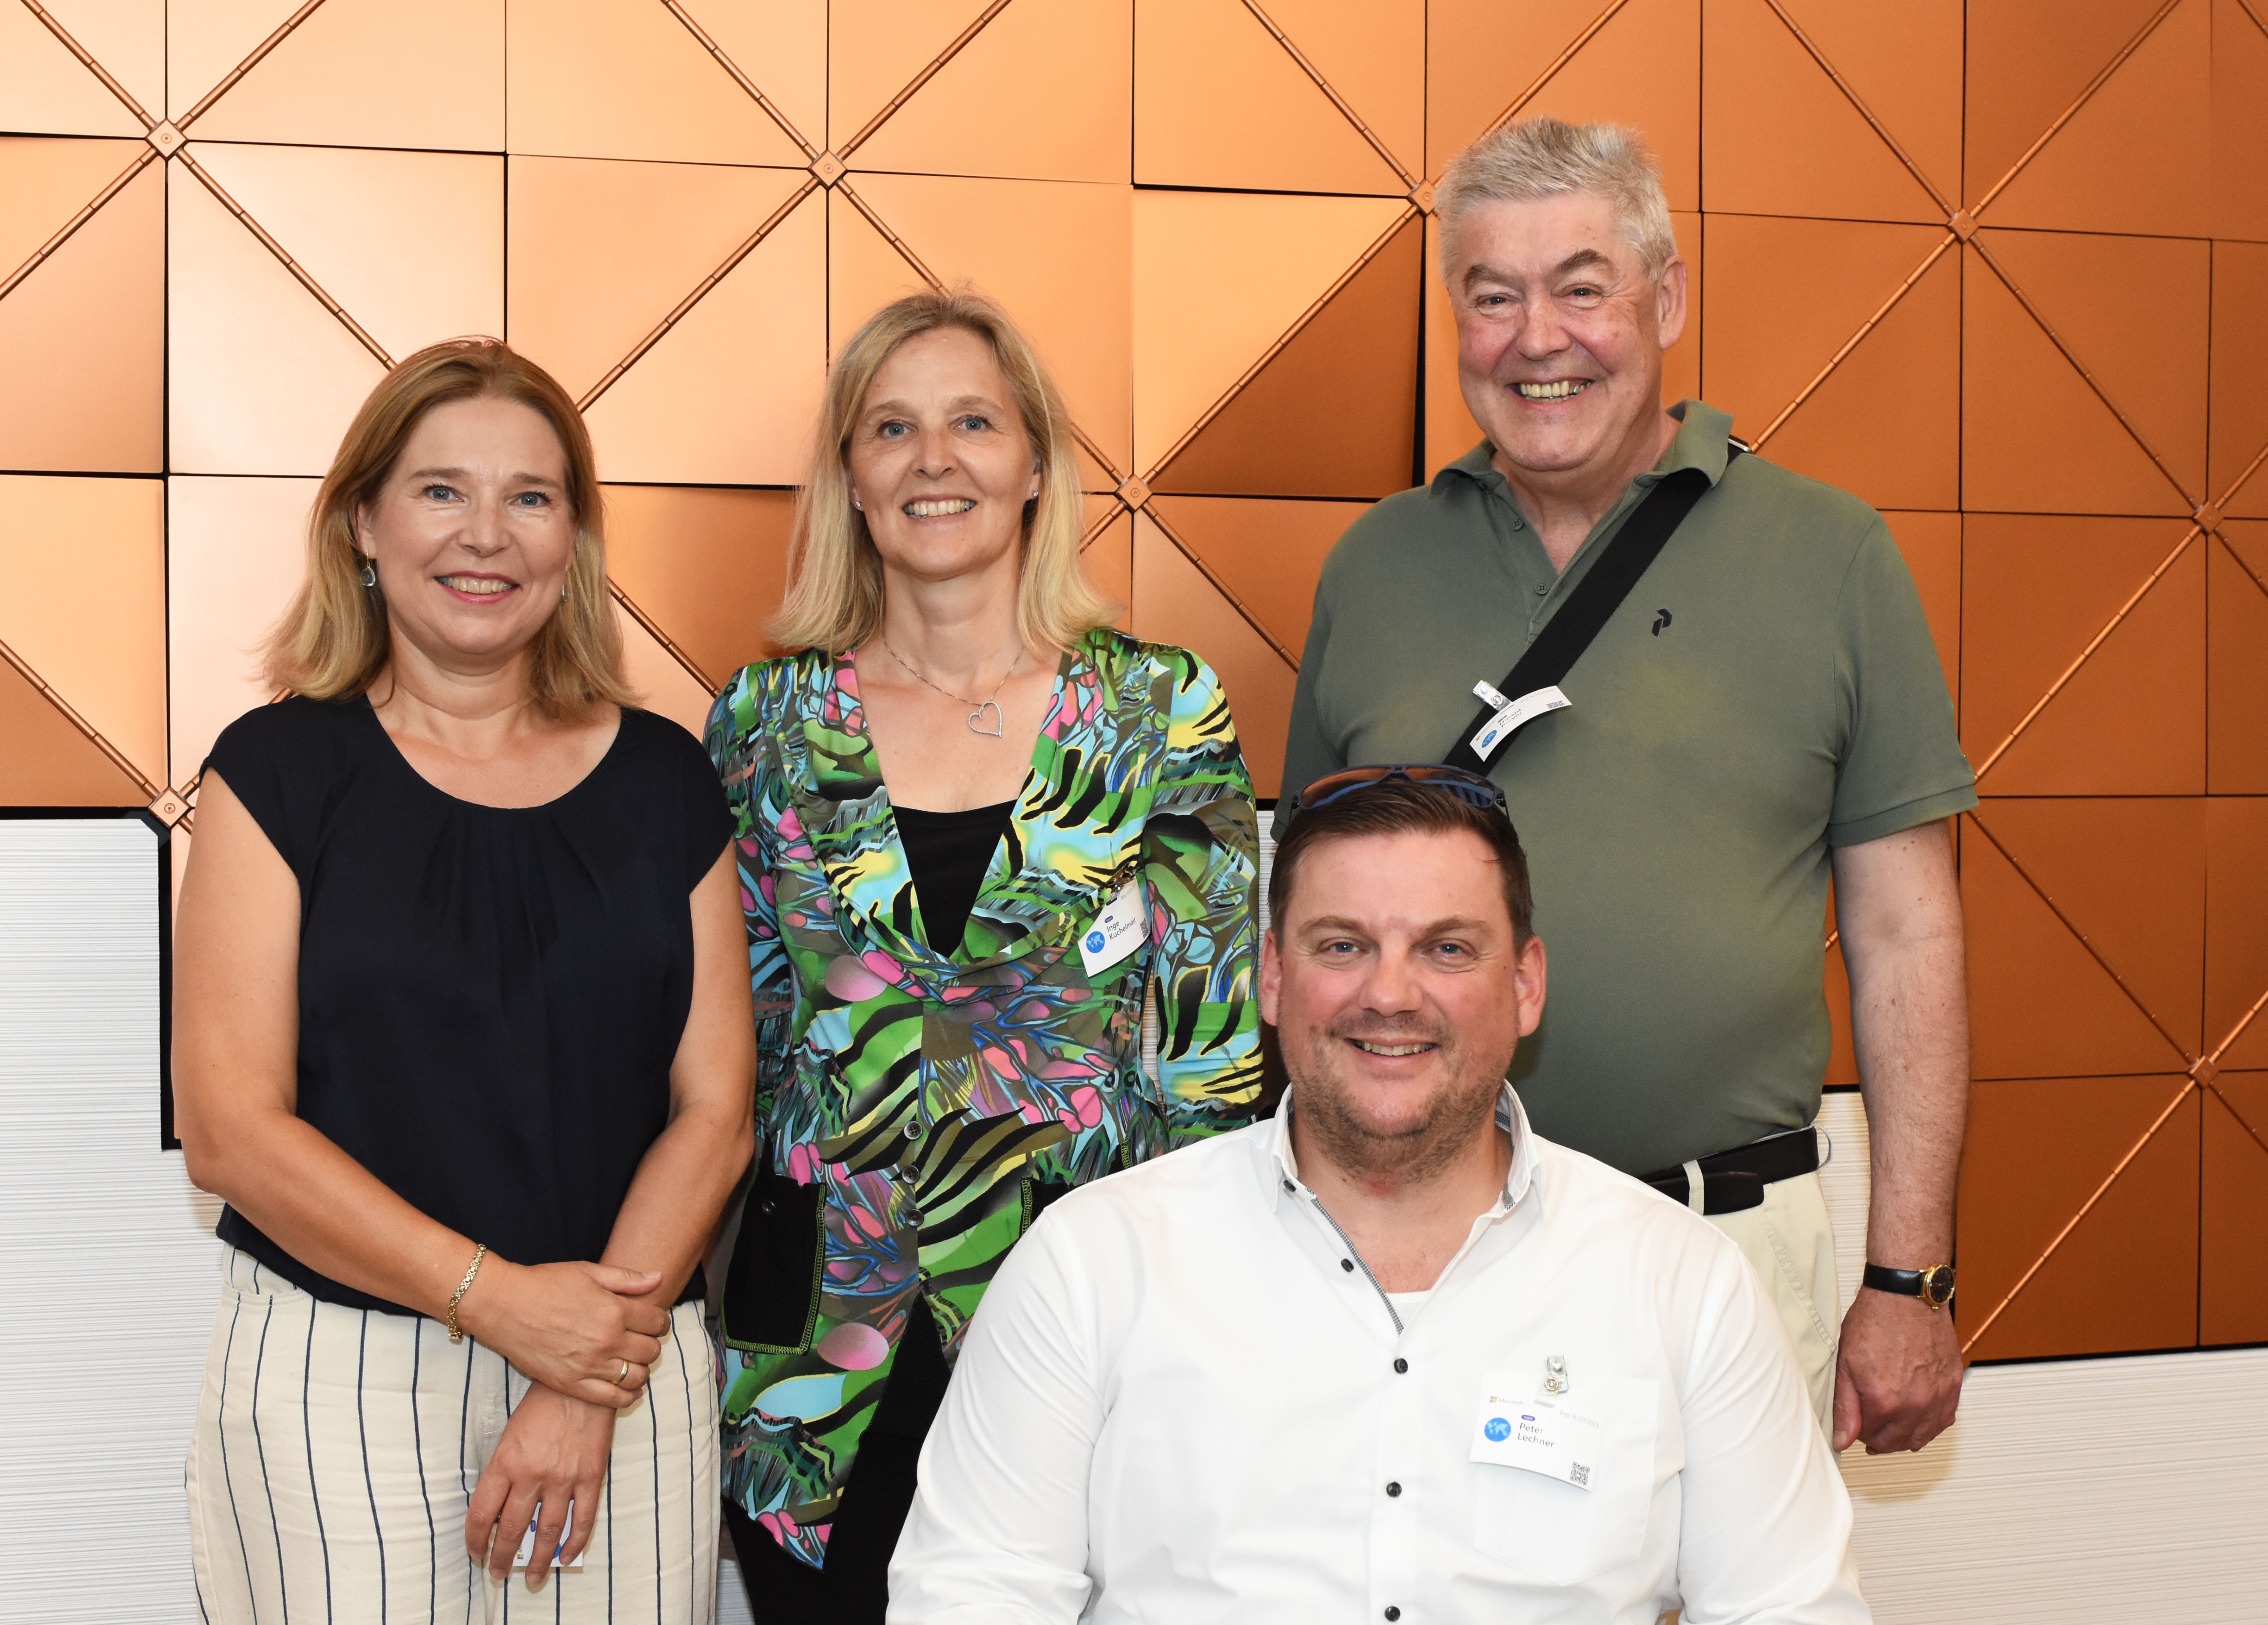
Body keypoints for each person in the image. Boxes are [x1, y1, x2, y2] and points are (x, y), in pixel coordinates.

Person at [1282, 117, 1976, 1455]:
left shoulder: (1833, 556)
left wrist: (1909, 1276)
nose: (1537, 337)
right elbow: (1309, 934)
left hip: (1723, 1254)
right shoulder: (1372, 567)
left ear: (1666, 300)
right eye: (1494, 295)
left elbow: (1909, 934)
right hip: (1414, 1256)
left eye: (1582, 286)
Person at [891, 767, 1869, 1621]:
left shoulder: (1684, 1284)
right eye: (1341, 945)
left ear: (1526, 984)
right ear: (1272, 977)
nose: (1390, 994)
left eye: (1447, 948)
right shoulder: (1092, 1265)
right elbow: (973, 1596)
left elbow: (1786, 1609)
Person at [176, 338, 756, 1621]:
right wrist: (502, 1304)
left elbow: (716, 1110)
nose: (485, 533)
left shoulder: (667, 780)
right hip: (344, 1370)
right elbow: (229, 1129)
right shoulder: (273, 773)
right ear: (363, 523)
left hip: (622, 1366)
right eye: (441, 489)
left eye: (529, 496)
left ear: (573, 539)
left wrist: (579, 1369)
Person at [710, 289, 1263, 1618]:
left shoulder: (1159, 709)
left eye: (973, 422)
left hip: (1089, 1335)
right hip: (820, 1363)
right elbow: (737, 1049)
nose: (933, 459)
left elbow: (1208, 1063)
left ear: (1034, 466)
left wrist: (1208, 1330)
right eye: (891, 428)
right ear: (851, 477)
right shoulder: (765, 720)